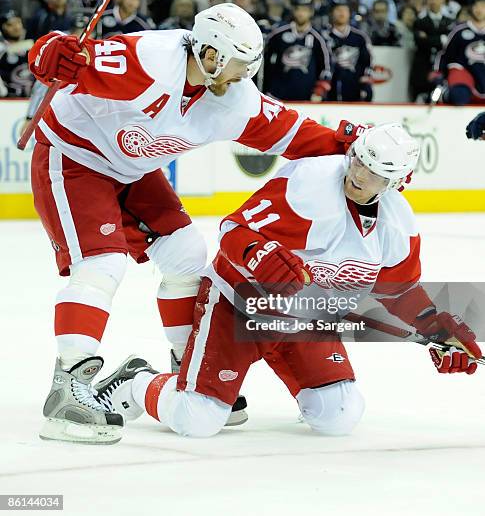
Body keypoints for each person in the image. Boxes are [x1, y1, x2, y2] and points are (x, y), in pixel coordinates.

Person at [27, 2, 364, 444]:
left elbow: (294, 133)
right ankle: (67, 388)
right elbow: (64, 58)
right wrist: (49, 50)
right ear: (211, 55)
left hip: (131, 170)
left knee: (187, 254)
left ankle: (192, 371)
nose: (244, 76)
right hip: (72, 157)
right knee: (102, 264)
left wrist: (358, 146)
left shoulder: (233, 98)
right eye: (239, 65)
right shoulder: (146, 59)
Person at [95, 124, 482, 438]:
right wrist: (260, 256)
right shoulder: (310, 183)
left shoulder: (398, 226)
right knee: (198, 419)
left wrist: (437, 329)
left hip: (304, 320)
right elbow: (232, 230)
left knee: (339, 415)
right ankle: (136, 382)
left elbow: (399, 292)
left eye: (374, 173)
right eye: (359, 160)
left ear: (397, 182)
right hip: (239, 304)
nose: (358, 174)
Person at [263, 0, 332, 102]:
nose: (301, 13)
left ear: (311, 12)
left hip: (307, 97)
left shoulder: (319, 38)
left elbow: (327, 65)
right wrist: (266, 88)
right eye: (297, 9)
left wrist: (320, 89)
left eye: (305, 10)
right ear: (293, 11)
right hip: (278, 96)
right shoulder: (278, 33)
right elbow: (264, 60)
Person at [432, 0, 485, 105]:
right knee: (459, 96)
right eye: (476, 5)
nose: (479, 9)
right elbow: (444, 54)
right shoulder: (459, 31)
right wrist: (438, 72)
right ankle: (445, 93)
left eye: (483, 6)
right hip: (463, 73)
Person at [324, 0, 373, 102]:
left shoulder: (360, 37)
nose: (341, 13)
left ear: (350, 13)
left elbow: (367, 62)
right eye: (338, 9)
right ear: (331, 13)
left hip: (354, 88)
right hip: (330, 90)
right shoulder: (323, 37)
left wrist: (365, 83)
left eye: (345, 10)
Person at [410, 0, 454, 100]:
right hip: (422, 70)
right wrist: (441, 39)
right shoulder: (419, 22)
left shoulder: (450, 22)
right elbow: (420, 42)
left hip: (443, 70)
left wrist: (429, 38)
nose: (433, 1)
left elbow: (450, 44)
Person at [0, 11, 34, 98]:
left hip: (32, 99)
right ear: (3, 28)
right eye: (10, 24)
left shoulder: (32, 46)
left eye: (18, 22)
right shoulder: (1, 50)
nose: (16, 27)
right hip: (9, 101)